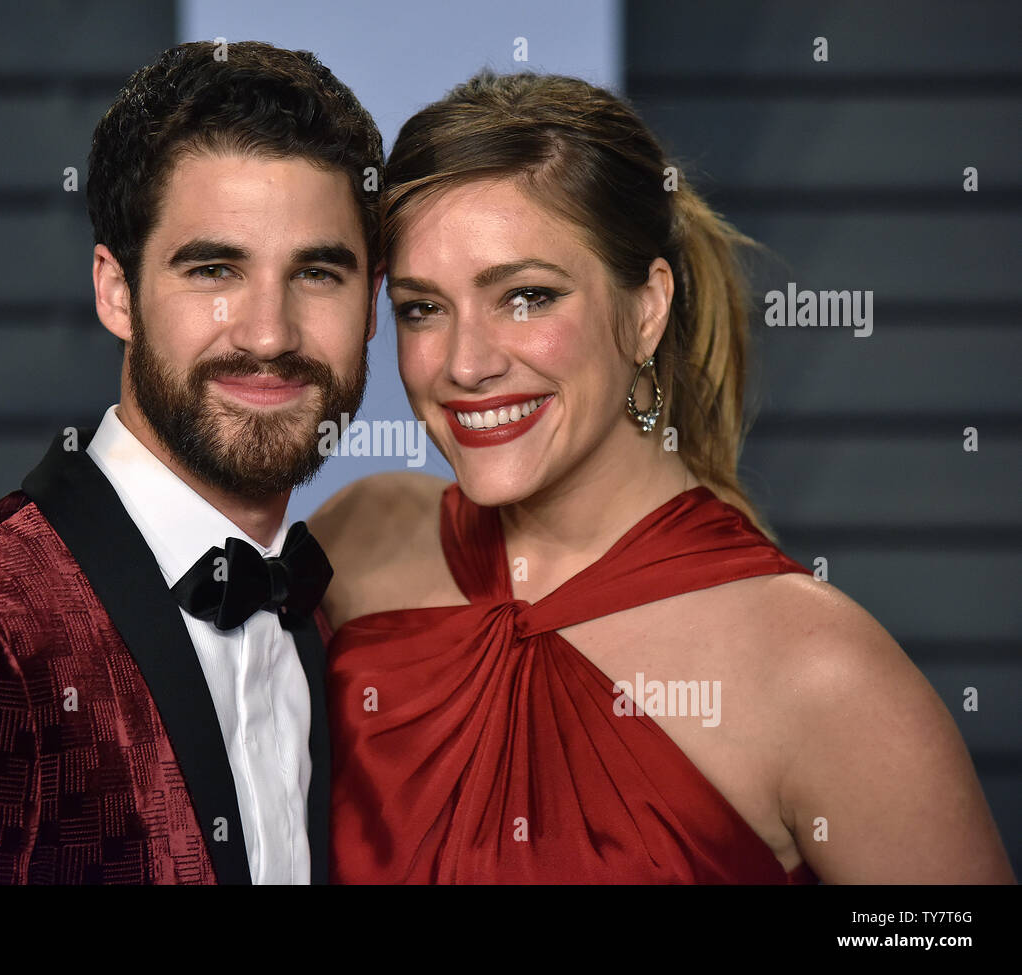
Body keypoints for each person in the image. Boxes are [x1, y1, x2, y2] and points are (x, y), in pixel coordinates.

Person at [310, 70, 1014, 884]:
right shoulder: (358, 541)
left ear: (646, 309)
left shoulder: (822, 673)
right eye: (422, 308)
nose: (466, 364)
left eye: (528, 297)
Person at [0, 40, 383, 885]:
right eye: (214, 269)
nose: (269, 332)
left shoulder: (312, 619)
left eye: (318, 272)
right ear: (115, 291)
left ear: (372, 307)